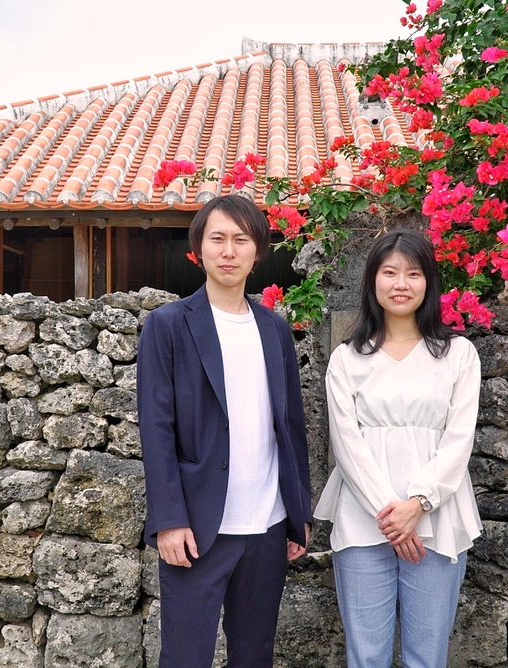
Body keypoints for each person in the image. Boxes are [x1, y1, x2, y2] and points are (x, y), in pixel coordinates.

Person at [137, 194, 313, 668]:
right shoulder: (168, 326)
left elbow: (289, 425)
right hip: (196, 526)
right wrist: (169, 519)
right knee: (185, 657)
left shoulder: (274, 329)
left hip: (267, 525)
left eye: (241, 239)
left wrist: (297, 512)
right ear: (198, 249)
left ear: (258, 251)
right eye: (217, 239)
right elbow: (156, 429)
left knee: (254, 656)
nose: (229, 251)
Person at [313, 229, 482, 668]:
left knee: (427, 656)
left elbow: (459, 438)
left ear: (429, 282)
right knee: (365, 656)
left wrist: (419, 503)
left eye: (413, 273)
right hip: (363, 519)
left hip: (437, 518)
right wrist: (392, 516)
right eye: (389, 273)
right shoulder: (348, 358)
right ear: (373, 280)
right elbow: (346, 443)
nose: (401, 284)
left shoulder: (458, 354)